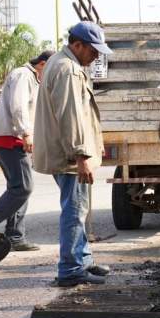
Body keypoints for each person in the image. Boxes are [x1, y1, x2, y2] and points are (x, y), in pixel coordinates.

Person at [34, 22, 111, 287]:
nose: (96, 56)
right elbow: (70, 116)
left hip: (67, 151)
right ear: (77, 45)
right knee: (75, 211)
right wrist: (81, 154)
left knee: (79, 208)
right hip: (69, 155)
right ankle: (71, 269)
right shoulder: (68, 69)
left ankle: (82, 260)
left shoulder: (62, 63)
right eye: (93, 50)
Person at [0, 51, 53, 251]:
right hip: (9, 137)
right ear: (43, 64)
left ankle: (15, 236)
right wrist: (26, 133)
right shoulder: (22, 75)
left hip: (15, 138)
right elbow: (18, 106)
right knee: (23, 187)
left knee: (19, 188)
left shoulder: (34, 79)